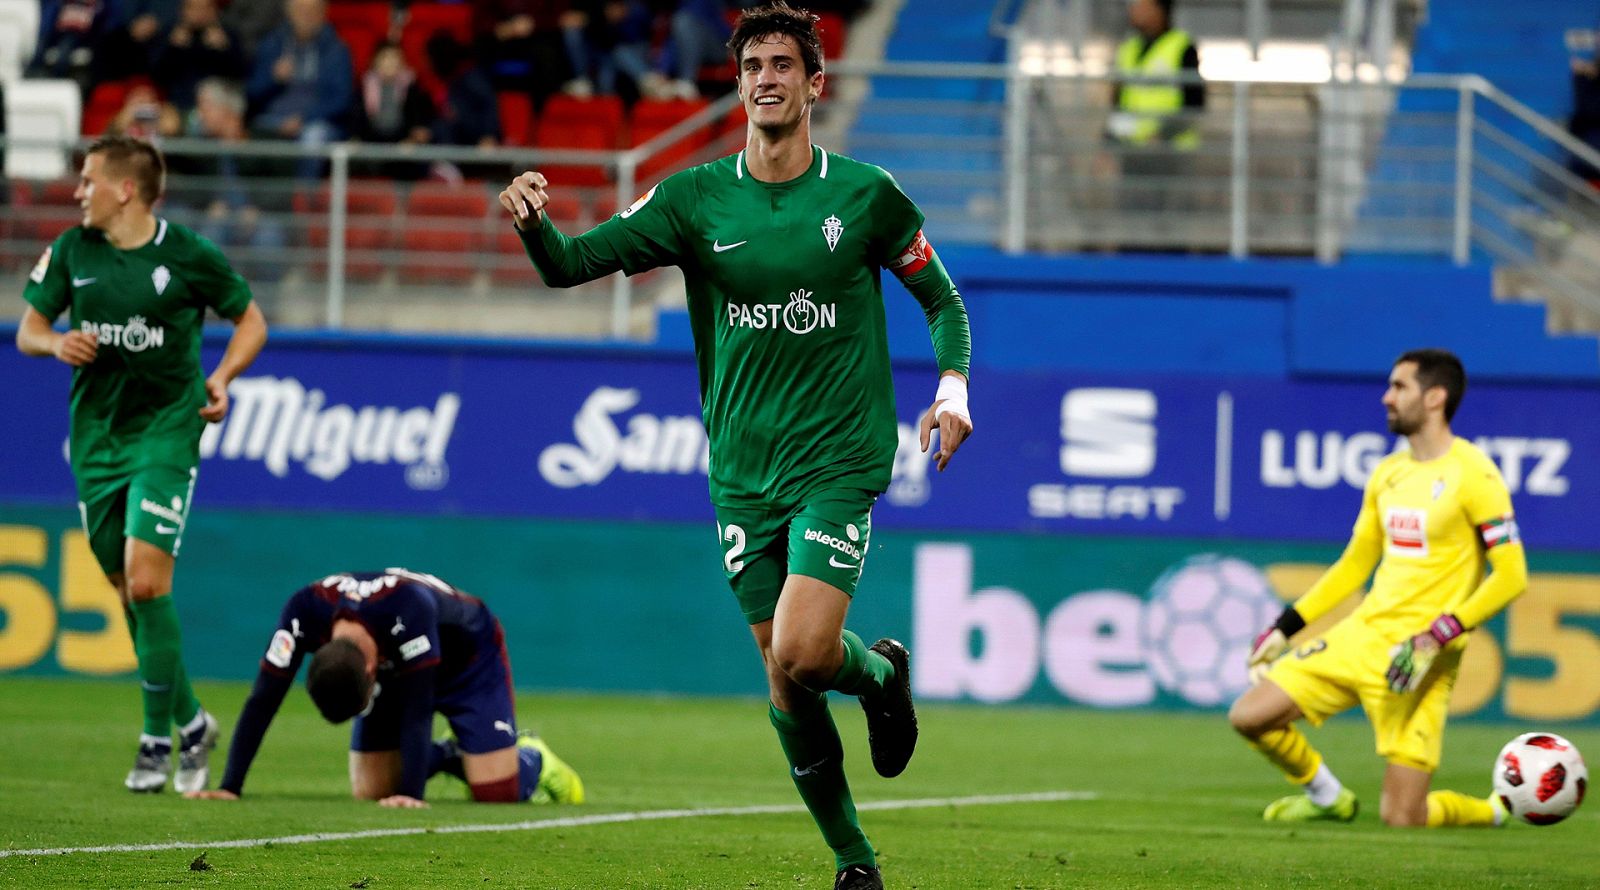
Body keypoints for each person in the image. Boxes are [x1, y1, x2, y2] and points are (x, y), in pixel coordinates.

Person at [498, 4, 972, 887]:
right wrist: (532, 222)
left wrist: (951, 390)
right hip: (742, 477)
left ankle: (875, 679)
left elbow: (943, 301)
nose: (766, 77)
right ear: (739, 81)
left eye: (784, 64)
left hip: (837, 462)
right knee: (787, 680)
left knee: (800, 650)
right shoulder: (691, 199)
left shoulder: (866, 195)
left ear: (814, 84)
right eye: (752, 63)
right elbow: (569, 266)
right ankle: (856, 862)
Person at [15, 134, 269, 794]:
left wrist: (226, 376)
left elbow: (251, 321)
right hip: (96, 441)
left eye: (89, 180)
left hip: (167, 431)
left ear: (124, 189)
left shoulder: (187, 254)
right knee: (127, 589)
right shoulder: (73, 251)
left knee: (148, 582)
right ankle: (190, 723)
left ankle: (157, 739)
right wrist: (55, 342)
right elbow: (27, 330)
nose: (77, 192)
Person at [1229, 349, 1529, 828]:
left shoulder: (1477, 476)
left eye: (1399, 387)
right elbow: (1354, 565)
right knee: (1249, 715)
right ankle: (1327, 797)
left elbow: (1513, 575)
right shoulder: (1388, 473)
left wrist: (1438, 635)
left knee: (1403, 817)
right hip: (1361, 637)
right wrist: (1285, 628)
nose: (1386, 397)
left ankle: (1494, 811)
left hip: (1419, 657)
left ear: (1435, 398)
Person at [183, 568, 586, 808]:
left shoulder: (408, 608)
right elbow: (262, 699)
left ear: (371, 670)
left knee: (496, 792)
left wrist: (412, 794)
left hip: (468, 659)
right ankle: (448, 754)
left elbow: (418, 708)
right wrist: (230, 787)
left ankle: (531, 756)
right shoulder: (304, 610)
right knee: (372, 791)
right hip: (400, 669)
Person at [246, 0, 356, 176]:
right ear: (289, 13)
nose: (306, 16)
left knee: (313, 137)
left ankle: (302, 199)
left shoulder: (337, 50)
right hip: (273, 119)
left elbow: (341, 99)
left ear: (323, 14)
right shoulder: (272, 45)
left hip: (316, 122)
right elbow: (252, 92)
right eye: (300, 10)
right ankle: (248, 201)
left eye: (312, 10)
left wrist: (304, 119)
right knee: (241, 135)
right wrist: (273, 79)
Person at [150, 0, 249, 112]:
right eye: (193, 8)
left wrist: (224, 50)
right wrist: (173, 49)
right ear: (182, 10)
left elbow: (241, 75)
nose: (200, 13)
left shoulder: (228, 35)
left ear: (215, 11)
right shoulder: (169, 34)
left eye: (205, 8)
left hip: (218, 106)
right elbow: (156, 76)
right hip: (179, 104)